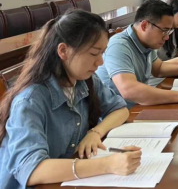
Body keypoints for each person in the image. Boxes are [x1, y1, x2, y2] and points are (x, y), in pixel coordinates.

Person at [0, 10, 141, 189]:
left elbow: (120, 110)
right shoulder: (30, 101)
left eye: (102, 53)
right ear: (63, 51)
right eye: (94, 53)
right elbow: (32, 170)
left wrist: (95, 133)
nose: (100, 62)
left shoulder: (85, 80)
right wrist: (107, 164)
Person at [96, 0, 178, 107]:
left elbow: (159, 69)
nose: (167, 37)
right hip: (119, 113)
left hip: (138, 106)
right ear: (144, 25)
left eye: (169, 31)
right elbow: (129, 90)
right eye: (164, 31)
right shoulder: (119, 45)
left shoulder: (146, 42)